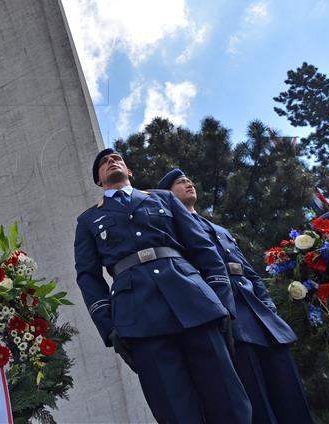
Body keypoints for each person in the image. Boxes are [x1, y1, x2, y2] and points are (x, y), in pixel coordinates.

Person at [74, 148, 251, 424]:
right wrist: (109, 327)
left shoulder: (165, 199)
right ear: (98, 180)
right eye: (103, 162)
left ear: (129, 171)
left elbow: (203, 249)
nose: (111, 161)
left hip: (195, 304)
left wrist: (222, 303)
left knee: (228, 400)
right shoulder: (88, 220)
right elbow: (88, 276)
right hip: (139, 318)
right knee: (175, 410)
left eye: (117, 158)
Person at [159, 168, 313, 424]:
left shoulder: (218, 228)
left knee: (291, 397)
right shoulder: (172, 230)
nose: (187, 182)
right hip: (229, 319)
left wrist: (268, 306)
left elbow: (249, 271)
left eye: (188, 178)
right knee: (257, 404)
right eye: (178, 182)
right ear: (166, 195)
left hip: (260, 318)